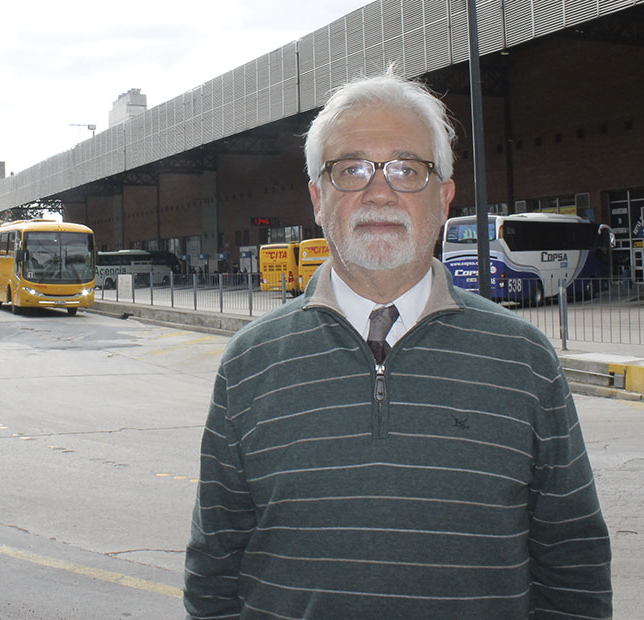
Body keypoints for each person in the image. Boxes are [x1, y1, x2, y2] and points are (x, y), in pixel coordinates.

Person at [183, 72, 612, 619]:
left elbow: (572, 562)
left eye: (408, 169)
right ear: (318, 197)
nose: (379, 191)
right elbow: (215, 563)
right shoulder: (248, 362)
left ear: (444, 196)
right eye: (352, 169)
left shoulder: (524, 359)